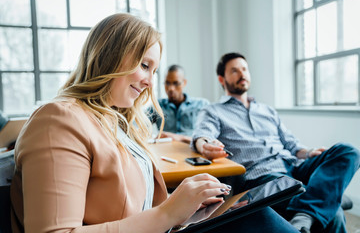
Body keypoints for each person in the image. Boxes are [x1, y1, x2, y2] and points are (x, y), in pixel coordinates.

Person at [10, 15, 299, 233]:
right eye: (144, 65)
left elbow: (136, 207)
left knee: (252, 214)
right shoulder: (58, 120)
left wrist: (186, 206)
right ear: (110, 56)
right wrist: (168, 213)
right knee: (258, 221)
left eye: (154, 69)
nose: (150, 82)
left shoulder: (115, 122)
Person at [191, 52, 360, 233]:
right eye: (234, 71)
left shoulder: (267, 110)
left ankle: (313, 202)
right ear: (221, 79)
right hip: (264, 176)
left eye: (244, 69)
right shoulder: (213, 111)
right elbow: (202, 135)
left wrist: (308, 152)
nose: (242, 74)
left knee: (348, 152)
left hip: (295, 165)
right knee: (334, 214)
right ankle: (321, 199)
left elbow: (292, 144)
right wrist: (205, 144)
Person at [149, 65, 209, 144]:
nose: (171, 88)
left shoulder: (201, 105)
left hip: (192, 151)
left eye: (176, 83)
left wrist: (179, 138)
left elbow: (208, 137)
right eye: (167, 83)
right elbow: (138, 124)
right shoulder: (158, 106)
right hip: (165, 152)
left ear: (184, 83)